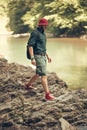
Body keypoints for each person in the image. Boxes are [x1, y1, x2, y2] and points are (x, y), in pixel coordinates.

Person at [25, 18, 55, 100]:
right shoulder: (35, 33)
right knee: (44, 75)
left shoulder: (43, 34)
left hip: (43, 56)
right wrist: (32, 58)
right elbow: (30, 46)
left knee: (38, 73)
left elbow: (43, 48)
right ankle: (47, 94)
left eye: (46, 25)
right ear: (40, 25)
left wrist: (48, 56)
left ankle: (28, 85)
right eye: (44, 25)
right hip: (37, 56)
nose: (45, 27)